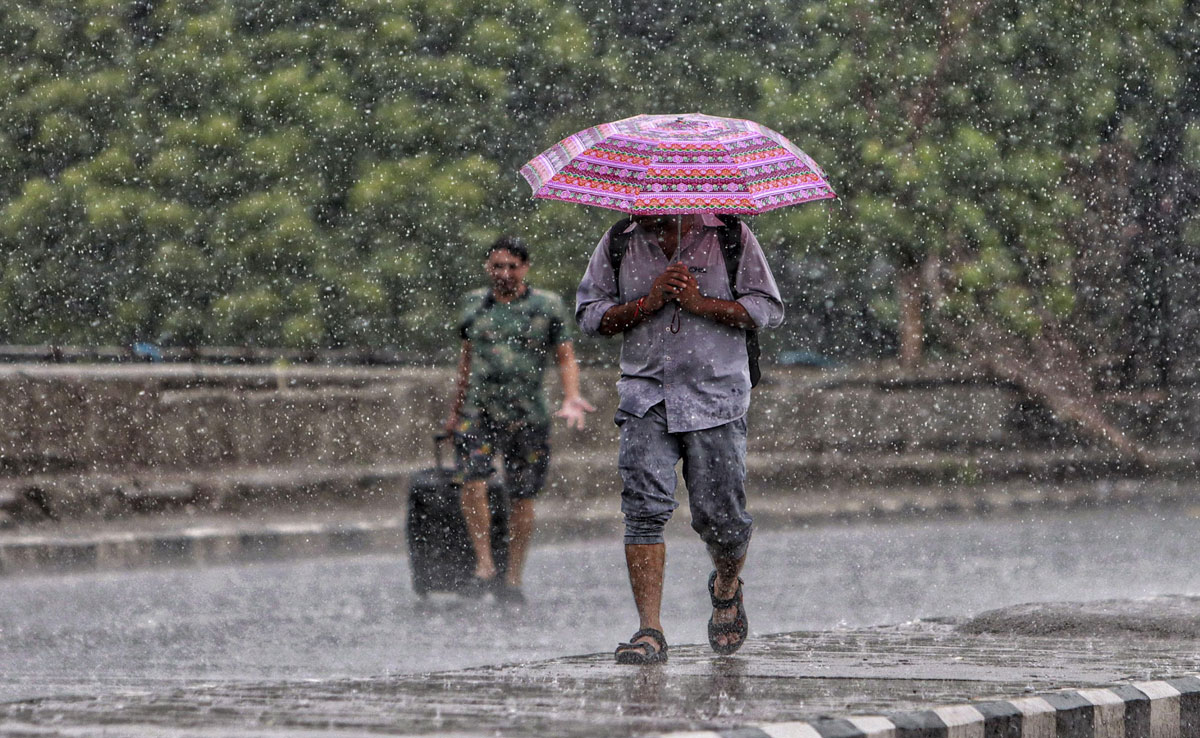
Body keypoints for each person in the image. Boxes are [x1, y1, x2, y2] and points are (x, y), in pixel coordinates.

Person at [575, 213, 783, 663]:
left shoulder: (730, 234)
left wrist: (701, 302)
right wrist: (645, 304)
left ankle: (726, 586)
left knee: (722, 521)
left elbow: (766, 308)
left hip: (716, 397)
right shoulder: (618, 239)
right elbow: (590, 315)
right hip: (645, 397)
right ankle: (650, 630)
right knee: (643, 511)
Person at [445, 235, 595, 605]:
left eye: (513, 266)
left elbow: (565, 356)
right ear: (487, 267)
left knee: (522, 496)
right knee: (472, 482)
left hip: (527, 415)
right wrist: (455, 408)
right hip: (478, 412)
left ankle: (513, 577)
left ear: (525, 268)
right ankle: (484, 566)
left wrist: (571, 395)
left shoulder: (546, 306)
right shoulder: (473, 305)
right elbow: (466, 358)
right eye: (498, 266)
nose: (505, 274)